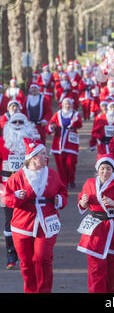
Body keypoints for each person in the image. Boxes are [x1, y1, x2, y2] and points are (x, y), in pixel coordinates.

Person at [3, 138, 68, 293]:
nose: (46, 157)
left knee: (43, 258)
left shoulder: (52, 174)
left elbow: (62, 192)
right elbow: (7, 199)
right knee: (26, 263)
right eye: (43, 154)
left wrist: (60, 199)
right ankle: (31, 290)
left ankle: (44, 290)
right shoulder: (17, 177)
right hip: (22, 225)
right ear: (32, 157)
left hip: (47, 222)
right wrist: (17, 196)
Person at [77, 154, 114, 293]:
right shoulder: (89, 183)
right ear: (98, 169)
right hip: (94, 229)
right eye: (102, 168)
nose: (105, 172)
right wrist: (83, 203)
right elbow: (82, 203)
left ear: (113, 170)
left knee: (110, 271)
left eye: (108, 169)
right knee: (96, 269)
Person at [0, 112, 41, 269]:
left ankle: (27, 252)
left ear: (26, 124)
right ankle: (11, 253)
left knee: (29, 220)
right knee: (8, 220)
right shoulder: (1, 142)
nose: (17, 125)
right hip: (6, 186)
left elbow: (41, 164)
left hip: (27, 186)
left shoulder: (33, 143)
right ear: (9, 124)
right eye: (14, 122)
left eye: (20, 122)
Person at [46, 97, 82, 189]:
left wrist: (74, 123)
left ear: (71, 105)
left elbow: (79, 125)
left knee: (71, 162)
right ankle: (63, 181)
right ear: (62, 105)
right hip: (59, 142)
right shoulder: (57, 114)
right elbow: (49, 128)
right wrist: (52, 126)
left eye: (69, 104)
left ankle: (71, 179)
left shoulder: (75, 114)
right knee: (60, 164)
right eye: (65, 104)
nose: (67, 106)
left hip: (71, 142)